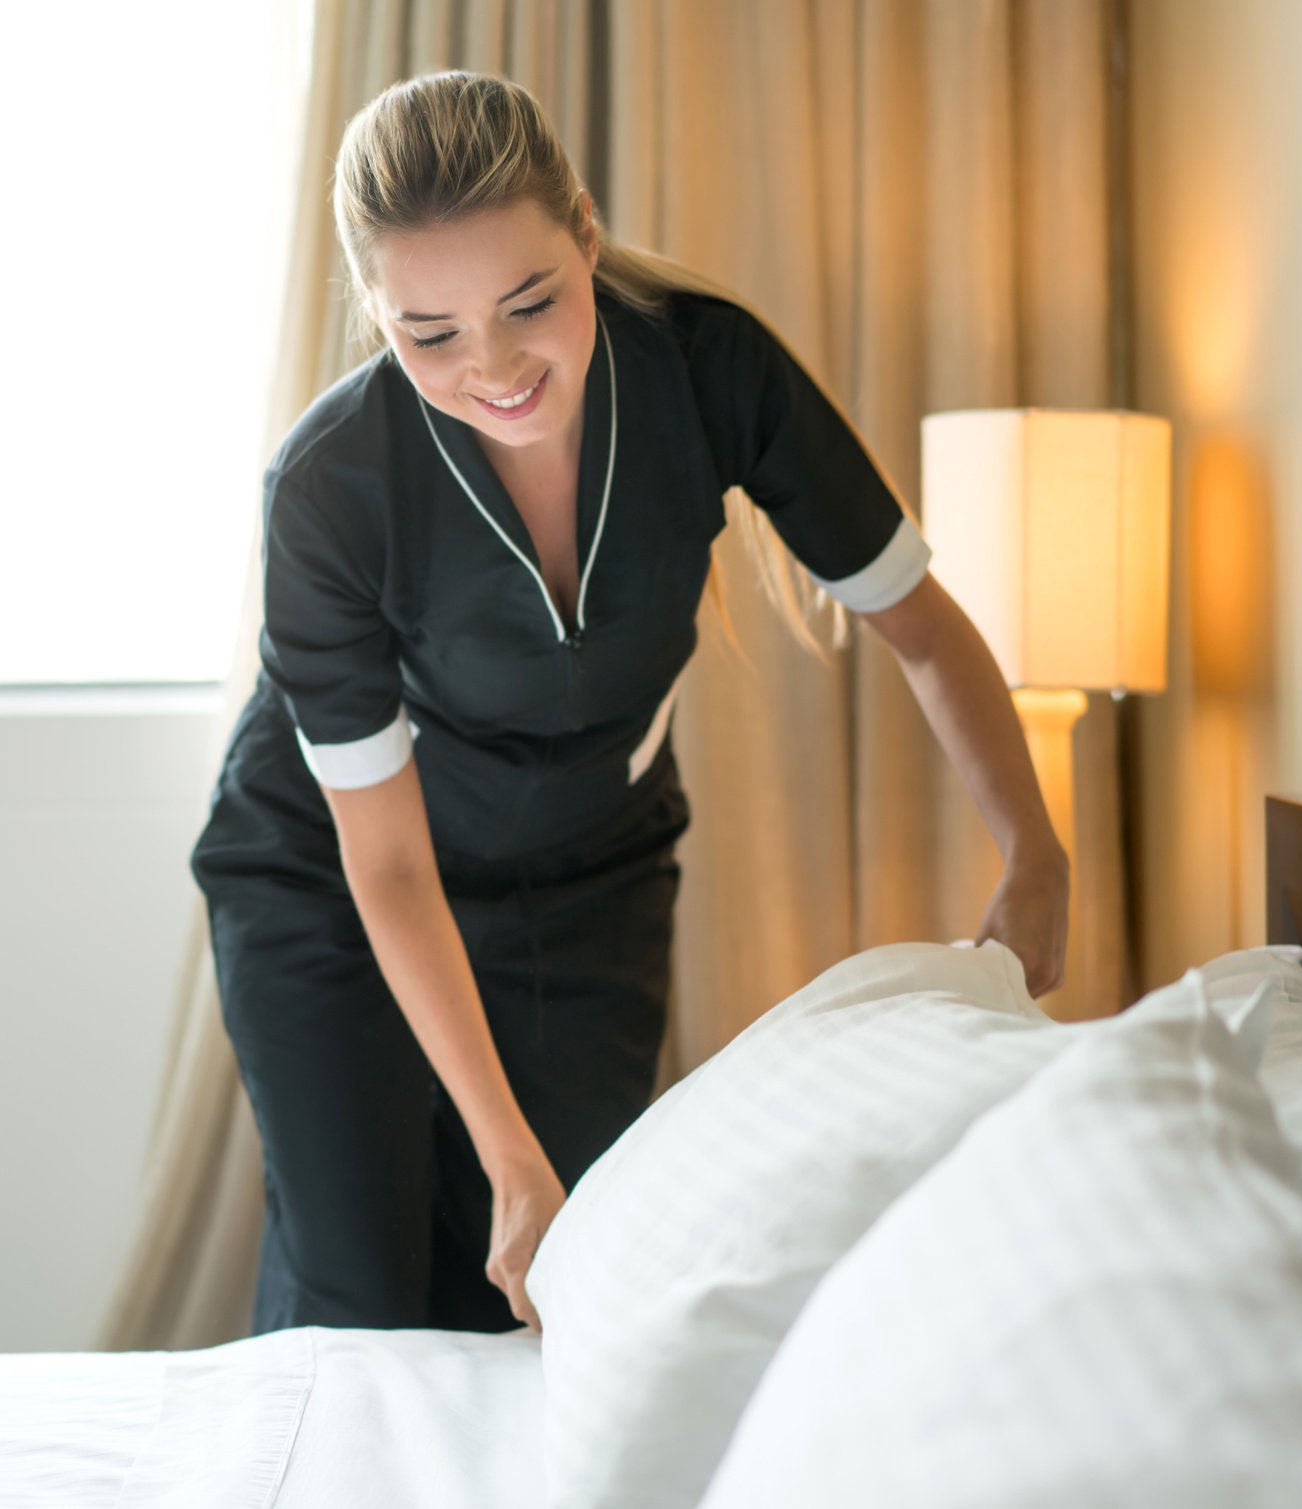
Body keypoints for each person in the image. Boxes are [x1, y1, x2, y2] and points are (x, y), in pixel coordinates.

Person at [191, 70, 1069, 1339]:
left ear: (585, 237)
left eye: (530, 301)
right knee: (361, 1296)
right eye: (427, 332)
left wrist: (1032, 850)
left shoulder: (709, 371)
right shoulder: (331, 488)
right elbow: (383, 866)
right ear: (374, 315)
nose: (491, 365)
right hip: (333, 876)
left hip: (585, 870)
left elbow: (920, 629)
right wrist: (505, 1153)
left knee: (556, 1288)